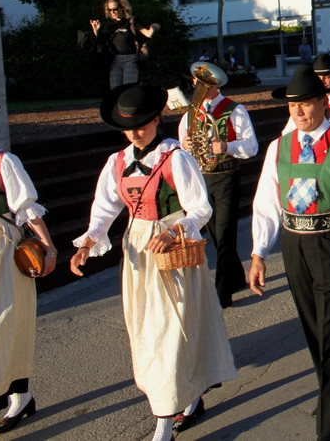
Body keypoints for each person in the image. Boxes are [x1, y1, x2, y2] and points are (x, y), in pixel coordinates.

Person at [70, 84, 236, 441]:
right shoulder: (116, 162)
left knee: (169, 333)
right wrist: (88, 242)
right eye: (129, 128)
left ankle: (164, 418)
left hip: (172, 253)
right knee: (146, 332)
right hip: (137, 255)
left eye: (142, 125)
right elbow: (104, 209)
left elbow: (200, 208)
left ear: (157, 120)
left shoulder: (176, 158)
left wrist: (175, 230)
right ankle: (188, 397)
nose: (135, 133)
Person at [250, 66, 330, 441]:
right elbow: (266, 202)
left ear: (324, 103)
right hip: (294, 243)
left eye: (306, 103)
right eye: (293, 105)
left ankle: (329, 423)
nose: (298, 111)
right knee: (312, 324)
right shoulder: (279, 147)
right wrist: (259, 253)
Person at [0, 103, 56, 436]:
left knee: (4, 327)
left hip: (0, 249)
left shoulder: (3, 162)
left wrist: (49, 249)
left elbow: (27, 209)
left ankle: (17, 395)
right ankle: (21, 396)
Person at [178, 61, 259, 308]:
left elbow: (252, 146)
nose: (199, 87)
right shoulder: (190, 114)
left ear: (215, 85)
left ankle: (222, 294)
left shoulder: (235, 110)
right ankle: (236, 277)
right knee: (216, 235)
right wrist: (185, 145)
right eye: (197, 82)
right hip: (201, 179)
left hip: (225, 176)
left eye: (205, 83)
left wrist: (227, 146)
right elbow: (182, 145)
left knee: (224, 234)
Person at [88, 0, 160, 89]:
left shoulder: (131, 21)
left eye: (115, 9)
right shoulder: (109, 25)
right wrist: (96, 31)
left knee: (128, 88)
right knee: (115, 90)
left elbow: (147, 33)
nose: (113, 12)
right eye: (110, 10)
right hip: (115, 60)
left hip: (130, 59)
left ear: (123, 8)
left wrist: (153, 28)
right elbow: (101, 41)